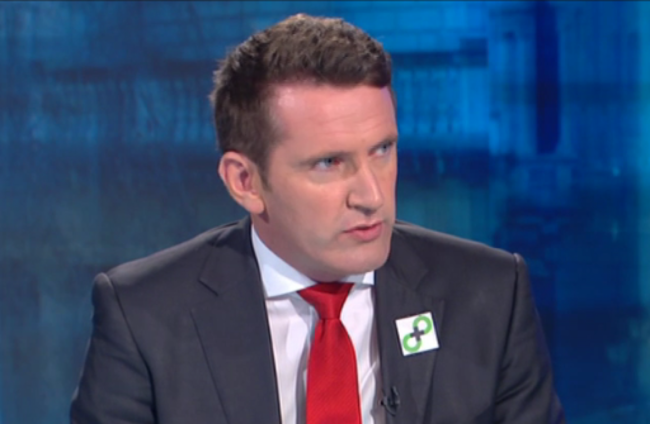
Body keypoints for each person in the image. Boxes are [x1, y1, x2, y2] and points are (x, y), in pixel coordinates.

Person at [70, 13, 566, 424]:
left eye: (382, 150)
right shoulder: (145, 317)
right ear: (245, 182)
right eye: (329, 163)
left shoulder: (489, 295)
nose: (372, 195)